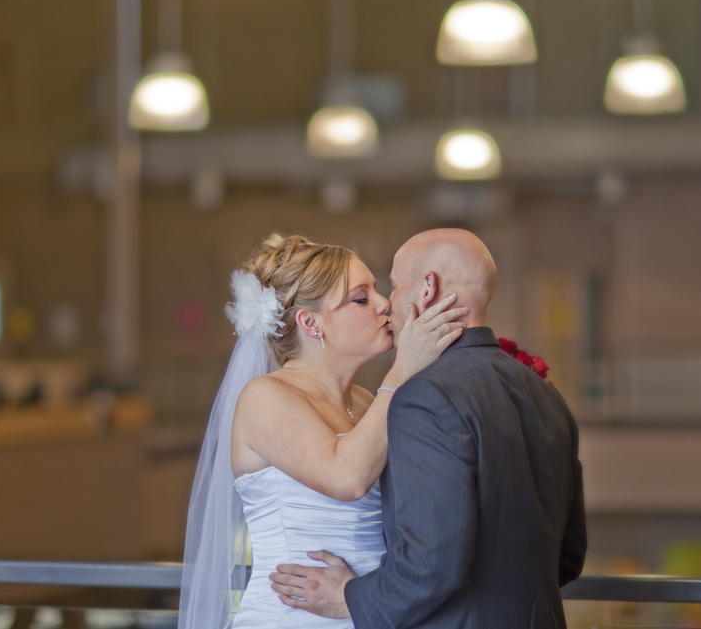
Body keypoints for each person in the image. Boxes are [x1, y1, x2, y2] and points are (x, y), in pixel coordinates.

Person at [269, 229, 587, 628]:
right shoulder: (546, 397)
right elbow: (568, 556)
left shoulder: (425, 397)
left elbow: (432, 562)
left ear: (427, 288)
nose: (388, 303)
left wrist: (347, 597)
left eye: (394, 285)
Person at [178, 233, 468, 629]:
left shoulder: (369, 402)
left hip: (367, 610)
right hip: (295, 616)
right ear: (311, 323)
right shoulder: (264, 397)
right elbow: (346, 478)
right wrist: (404, 370)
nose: (385, 303)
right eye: (361, 298)